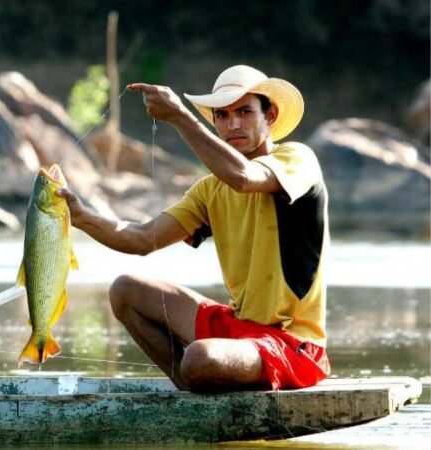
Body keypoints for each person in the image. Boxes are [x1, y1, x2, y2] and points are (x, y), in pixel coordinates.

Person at [57, 65, 330, 392]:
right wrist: (82, 216)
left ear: (269, 116)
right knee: (126, 290)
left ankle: (199, 375)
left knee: (200, 358)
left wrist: (179, 117)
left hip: (293, 347)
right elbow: (143, 239)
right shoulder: (209, 189)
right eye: (222, 115)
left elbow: (243, 178)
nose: (233, 124)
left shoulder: (297, 159)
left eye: (244, 112)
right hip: (238, 331)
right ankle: (191, 390)